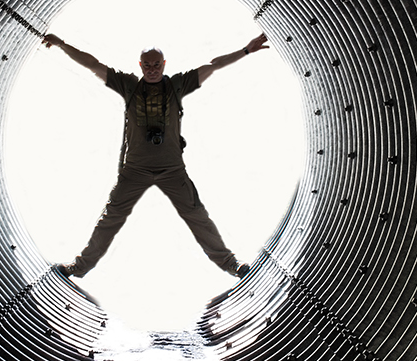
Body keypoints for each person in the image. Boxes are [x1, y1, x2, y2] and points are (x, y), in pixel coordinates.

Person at [41, 31, 270, 280]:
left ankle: (232, 265)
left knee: (198, 216)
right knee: (110, 219)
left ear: (164, 64)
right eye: (147, 65)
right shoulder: (128, 85)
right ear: (140, 66)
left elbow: (213, 66)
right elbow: (92, 64)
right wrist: (62, 44)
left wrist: (246, 50)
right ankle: (77, 268)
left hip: (172, 170)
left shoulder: (177, 85)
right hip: (134, 171)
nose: (152, 70)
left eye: (157, 65)